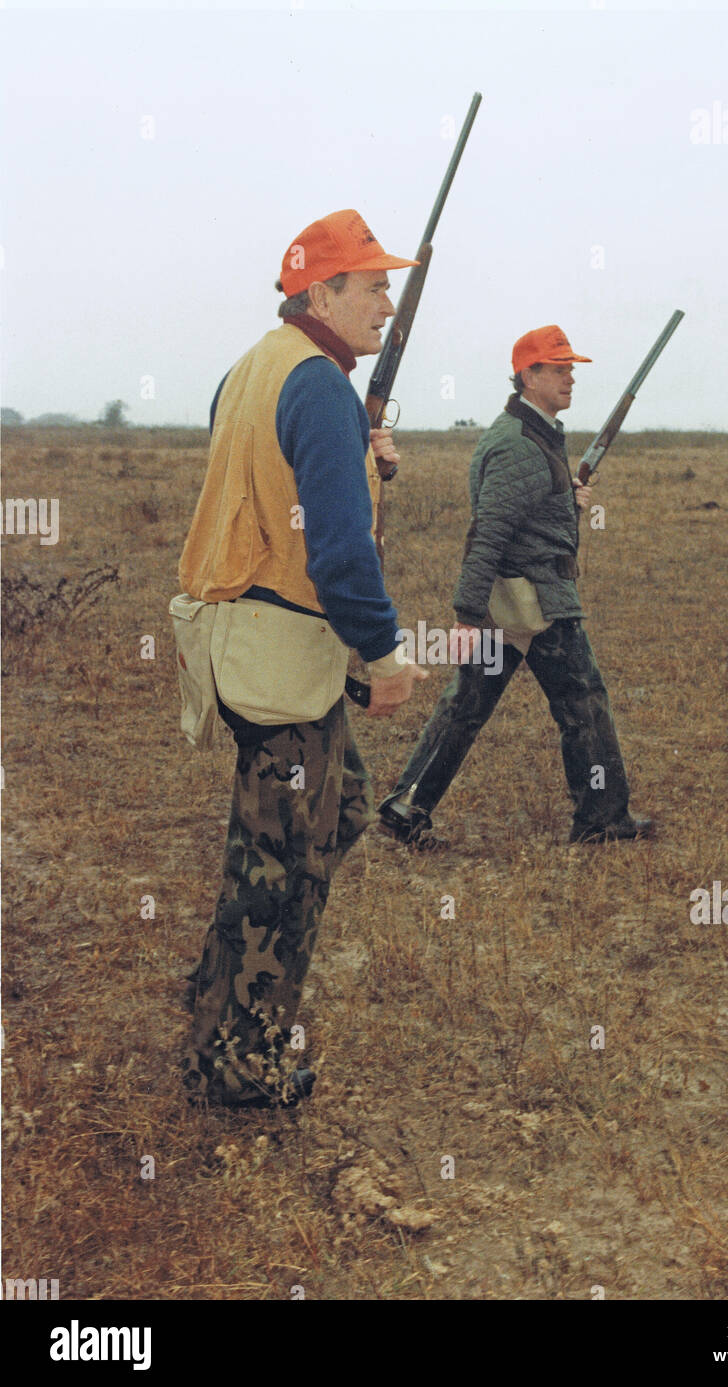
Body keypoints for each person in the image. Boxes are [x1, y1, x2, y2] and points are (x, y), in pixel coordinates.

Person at [179, 209, 426, 1107]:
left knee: (338, 810)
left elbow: (283, 485)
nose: (389, 303)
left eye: (393, 284)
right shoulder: (317, 384)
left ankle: (215, 1002)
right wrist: (384, 656)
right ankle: (243, 1061)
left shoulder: (252, 367)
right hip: (284, 655)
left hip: (255, 649)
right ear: (321, 292)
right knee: (286, 869)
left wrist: (364, 459)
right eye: (373, 286)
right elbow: (339, 552)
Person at [378, 324, 652, 849]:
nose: (571, 377)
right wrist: (465, 613)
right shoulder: (520, 444)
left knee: (465, 708)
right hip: (537, 602)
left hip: (516, 602)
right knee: (583, 703)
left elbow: (519, 512)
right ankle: (602, 819)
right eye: (559, 368)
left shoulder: (530, 434)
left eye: (572, 368)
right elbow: (489, 534)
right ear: (529, 376)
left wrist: (562, 499)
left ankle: (407, 805)